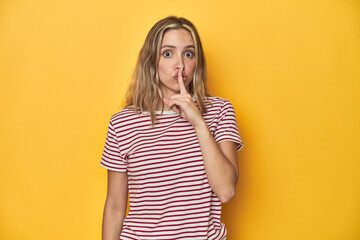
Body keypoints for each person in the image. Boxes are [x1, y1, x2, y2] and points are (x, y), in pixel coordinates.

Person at [100, 16, 244, 240]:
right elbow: (115, 207)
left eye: (189, 53)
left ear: (197, 61)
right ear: (151, 61)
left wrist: (198, 122)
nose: (181, 64)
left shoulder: (219, 111)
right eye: (168, 53)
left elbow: (226, 191)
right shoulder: (123, 123)